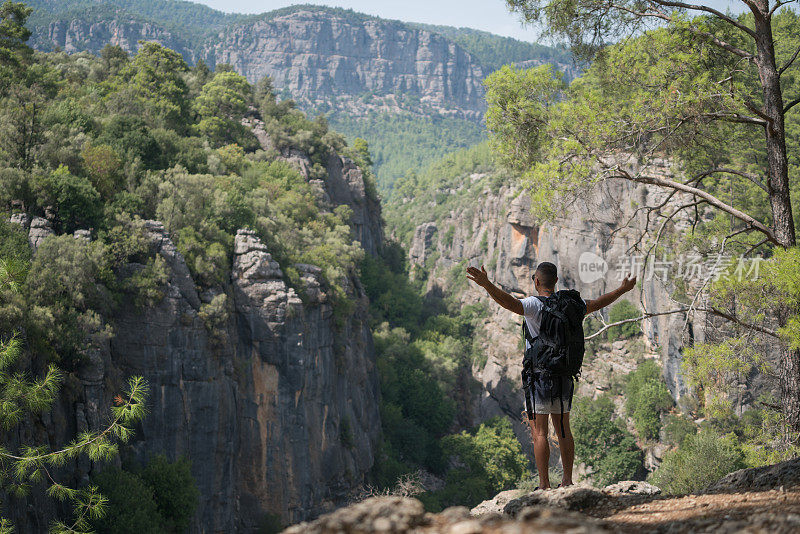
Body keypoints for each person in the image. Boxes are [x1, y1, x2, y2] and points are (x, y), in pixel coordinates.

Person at [466, 261, 636, 490]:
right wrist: (623, 290)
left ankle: (544, 485)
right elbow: (597, 303)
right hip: (564, 373)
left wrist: (487, 284)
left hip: (538, 376)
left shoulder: (533, 305)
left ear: (536, 281)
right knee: (563, 428)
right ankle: (567, 481)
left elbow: (509, 302)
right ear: (556, 281)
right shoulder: (572, 304)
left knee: (540, 433)